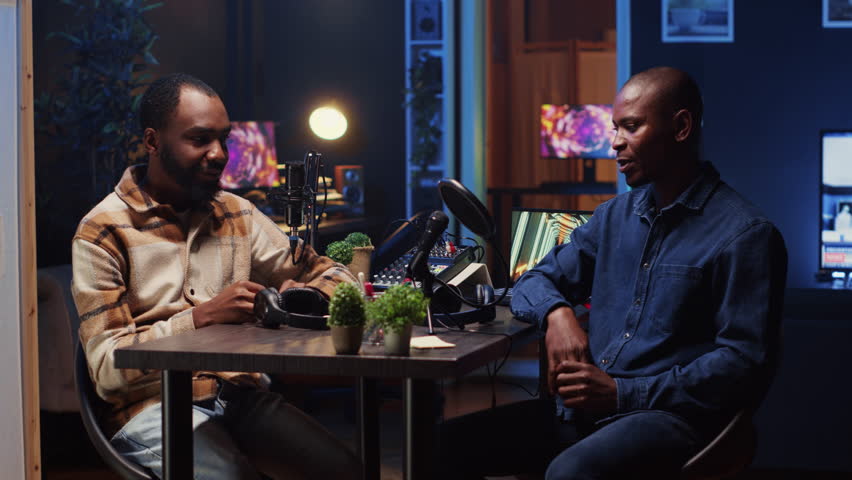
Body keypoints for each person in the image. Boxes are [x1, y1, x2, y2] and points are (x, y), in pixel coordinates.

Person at [439, 66, 788, 479]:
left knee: (570, 473)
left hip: (669, 418)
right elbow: (532, 281)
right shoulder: (612, 218)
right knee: (441, 449)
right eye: (615, 128)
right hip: (581, 413)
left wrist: (623, 393)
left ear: (680, 127)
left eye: (631, 127)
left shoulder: (745, 235)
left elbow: (743, 365)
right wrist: (558, 315)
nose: (615, 142)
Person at [71, 73, 361, 480]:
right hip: (149, 408)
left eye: (224, 139)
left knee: (344, 472)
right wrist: (200, 318)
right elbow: (105, 370)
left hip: (238, 395)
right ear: (153, 141)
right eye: (200, 139)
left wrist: (304, 298)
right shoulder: (103, 232)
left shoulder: (236, 213)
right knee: (233, 477)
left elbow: (336, 276)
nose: (219, 153)